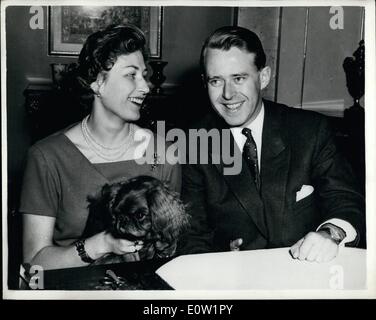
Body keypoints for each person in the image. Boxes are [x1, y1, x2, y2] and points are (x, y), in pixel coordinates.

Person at [178, 26, 365, 263]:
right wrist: (218, 260)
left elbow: (347, 202)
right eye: (216, 81)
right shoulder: (195, 143)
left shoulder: (310, 131)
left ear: (263, 77)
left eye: (238, 78)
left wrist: (330, 234)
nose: (227, 94)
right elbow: (191, 237)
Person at [20, 24, 181, 270]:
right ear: (97, 83)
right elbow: (33, 264)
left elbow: (171, 250)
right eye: (131, 75)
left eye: (144, 75)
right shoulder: (46, 157)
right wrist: (103, 244)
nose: (145, 86)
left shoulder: (164, 154)